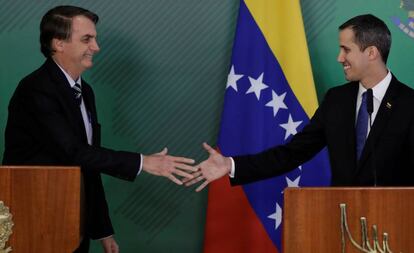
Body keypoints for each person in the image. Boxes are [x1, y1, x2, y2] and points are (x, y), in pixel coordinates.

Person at [2, 5, 196, 253]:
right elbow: (74, 152)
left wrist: (103, 230)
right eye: (87, 39)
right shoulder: (36, 89)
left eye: (94, 38)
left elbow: (88, 163)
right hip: (37, 220)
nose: (96, 47)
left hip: (72, 222)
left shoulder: (86, 92)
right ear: (58, 43)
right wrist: (142, 162)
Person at [186, 14, 414, 191]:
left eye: (346, 49)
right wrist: (230, 165)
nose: (339, 58)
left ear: (372, 52)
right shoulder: (337, 100)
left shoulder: (409, 104)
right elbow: (292, 153)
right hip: (342, 225)